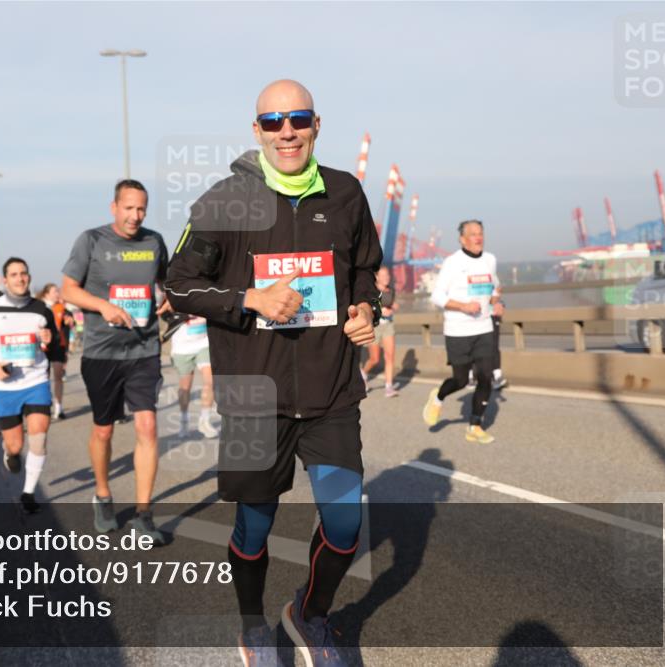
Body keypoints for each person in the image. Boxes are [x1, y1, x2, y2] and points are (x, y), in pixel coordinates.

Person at [165, 80, 381, 665]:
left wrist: (367, 310)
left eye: (298, 119)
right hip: (254, 398)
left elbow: (365, 271)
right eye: (273, 122)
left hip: (330, 391)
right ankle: (253, 624)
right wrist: (250, 300)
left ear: (316, 124)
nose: (287, 131)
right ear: (256, 130)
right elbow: (178, 285)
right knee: (254, 530)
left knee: (344, 527)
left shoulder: (345, 193)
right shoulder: (224, 201)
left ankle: (309, 616)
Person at [61, 179, 171, 545]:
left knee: (148, 428)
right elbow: (68, 289)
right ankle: (104, 494)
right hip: (101, 352)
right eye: (128, 208)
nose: (135, 216)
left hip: (143, 350)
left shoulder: (153, 242)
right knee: (104, 430)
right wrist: (104, 305)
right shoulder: (91, 241)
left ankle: (143, 514)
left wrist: (172, 299)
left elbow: (167, 285)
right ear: (114, 207)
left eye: (141, 208)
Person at [0, 258, 60, 513]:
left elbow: (53, 347)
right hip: (5, 386)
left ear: (29, 277)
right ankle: (9, 452)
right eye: (14, 274)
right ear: (5, 279)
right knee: (16, 445)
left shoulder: (42, 309)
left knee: (40, 437)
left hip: (36, 380)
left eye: (24, 274)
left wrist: (50, 339)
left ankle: (28, 493)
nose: (20, 278)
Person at [422, 219, 503, 444]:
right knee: (460, 380)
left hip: (484, 327)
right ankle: (438, 397)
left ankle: (474, 426)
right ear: (462, 239)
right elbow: (437, 296)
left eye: (481, 233)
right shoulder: (452, 262)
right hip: (458, 330)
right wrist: (463, 306)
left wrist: (497, 301)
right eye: (473, 234)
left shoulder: (490, 260)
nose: (478, 237)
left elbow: (495, 288)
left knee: (485, 378)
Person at [168, 315, 218, 438]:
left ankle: (204, 421)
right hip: (182, 347)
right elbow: (165, 314)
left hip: (204, 343)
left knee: (210, 381)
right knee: (185, 386)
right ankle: (184, 419)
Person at [360, 266, 400, 397]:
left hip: (388, 324)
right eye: (383, 275)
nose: (386, 278)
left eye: (387, 275)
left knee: (390, 356)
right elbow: (367, 306)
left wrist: (393, 307)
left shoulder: (391, 290)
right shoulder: (372, 290)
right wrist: (380, 310)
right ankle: (364, 373)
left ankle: (388, 387)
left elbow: (391, 304)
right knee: (375, 359)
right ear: (376, 277)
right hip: (376, 325)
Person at [37, 283, 73, 420]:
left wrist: (70, 320)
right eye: (54, 291)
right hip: (44, 346)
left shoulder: (62, 308)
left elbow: (69, 321)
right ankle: (45, 405)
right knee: (43, 377)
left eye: (58, 291)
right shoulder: (39, 307)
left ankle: (59, 408)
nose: (57, 293)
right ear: (46, 294)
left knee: (58, 375)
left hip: (58, 345)